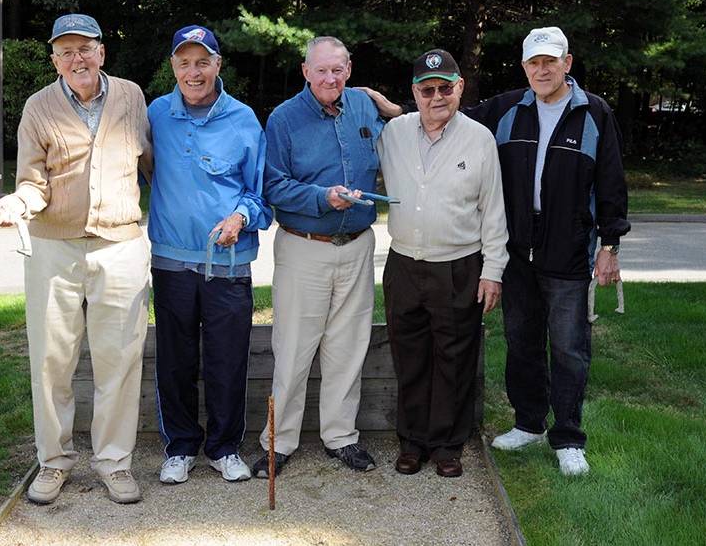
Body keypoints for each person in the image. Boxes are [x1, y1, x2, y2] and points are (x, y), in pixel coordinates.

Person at [363, 27, 630, 476]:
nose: (542, 70)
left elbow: (611, 182)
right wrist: (395, 109)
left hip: (566, 246)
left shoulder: (594, 114)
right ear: (525, 68)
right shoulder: (508, 109)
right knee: (522, 342)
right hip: (519, 248)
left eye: (551, 61)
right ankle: (528, 423)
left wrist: (610, 242)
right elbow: (439, 110)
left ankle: (567, 437)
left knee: (568, 347)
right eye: (533, 63)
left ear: (567, 62)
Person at [0, 13, 152, 504]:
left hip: (121, 246)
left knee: (119, 360)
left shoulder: (131, 96)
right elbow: (32, 182)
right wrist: (16, 204)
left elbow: (151, 161)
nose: (76, 59)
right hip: (54, 248)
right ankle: (53, 462)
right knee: (51, 361)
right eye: (66, 52)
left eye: (85, 49)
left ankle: (115, 462)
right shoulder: (38, 107)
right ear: (55, 60)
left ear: (102, 52)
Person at [250, 36, 384, 478]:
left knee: (348, 348)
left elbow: (397, 140)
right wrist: (323, 198)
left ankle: (340, 437)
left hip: (358, 246)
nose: (331, 78)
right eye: (321, 70)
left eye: (339, 69)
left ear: (350, 68)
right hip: (305, 245)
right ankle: (279, 442)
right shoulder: (285, 119)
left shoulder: (364, 107)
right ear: (305, 71)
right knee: (293, 350)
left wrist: (394, 107)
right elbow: (272, 186)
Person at [148, 25, 272, 484]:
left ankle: (224, 447)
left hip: (228, 264)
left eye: (203, 62)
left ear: (218, 65)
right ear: (174, 67)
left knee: (227, 359)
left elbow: (261, 194)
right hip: (170, 260)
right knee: (175, 359)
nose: (193, 71)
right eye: (185, 63)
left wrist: (239, 218)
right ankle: (179, 447)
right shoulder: (156, 113)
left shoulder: (243, 119)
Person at [377, 49, 508, 477]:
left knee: (454, 358)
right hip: (403, 264)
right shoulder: (393, 133)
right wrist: (370, 97)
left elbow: (493, 212)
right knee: (409, 355)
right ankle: (412, 441)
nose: (437, 97)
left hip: (459, 265)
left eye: (445, 88)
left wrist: (492, 272)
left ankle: (447, 445)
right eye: (428, 89)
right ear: (415, 92)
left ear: (460, 88)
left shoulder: (479, 138)